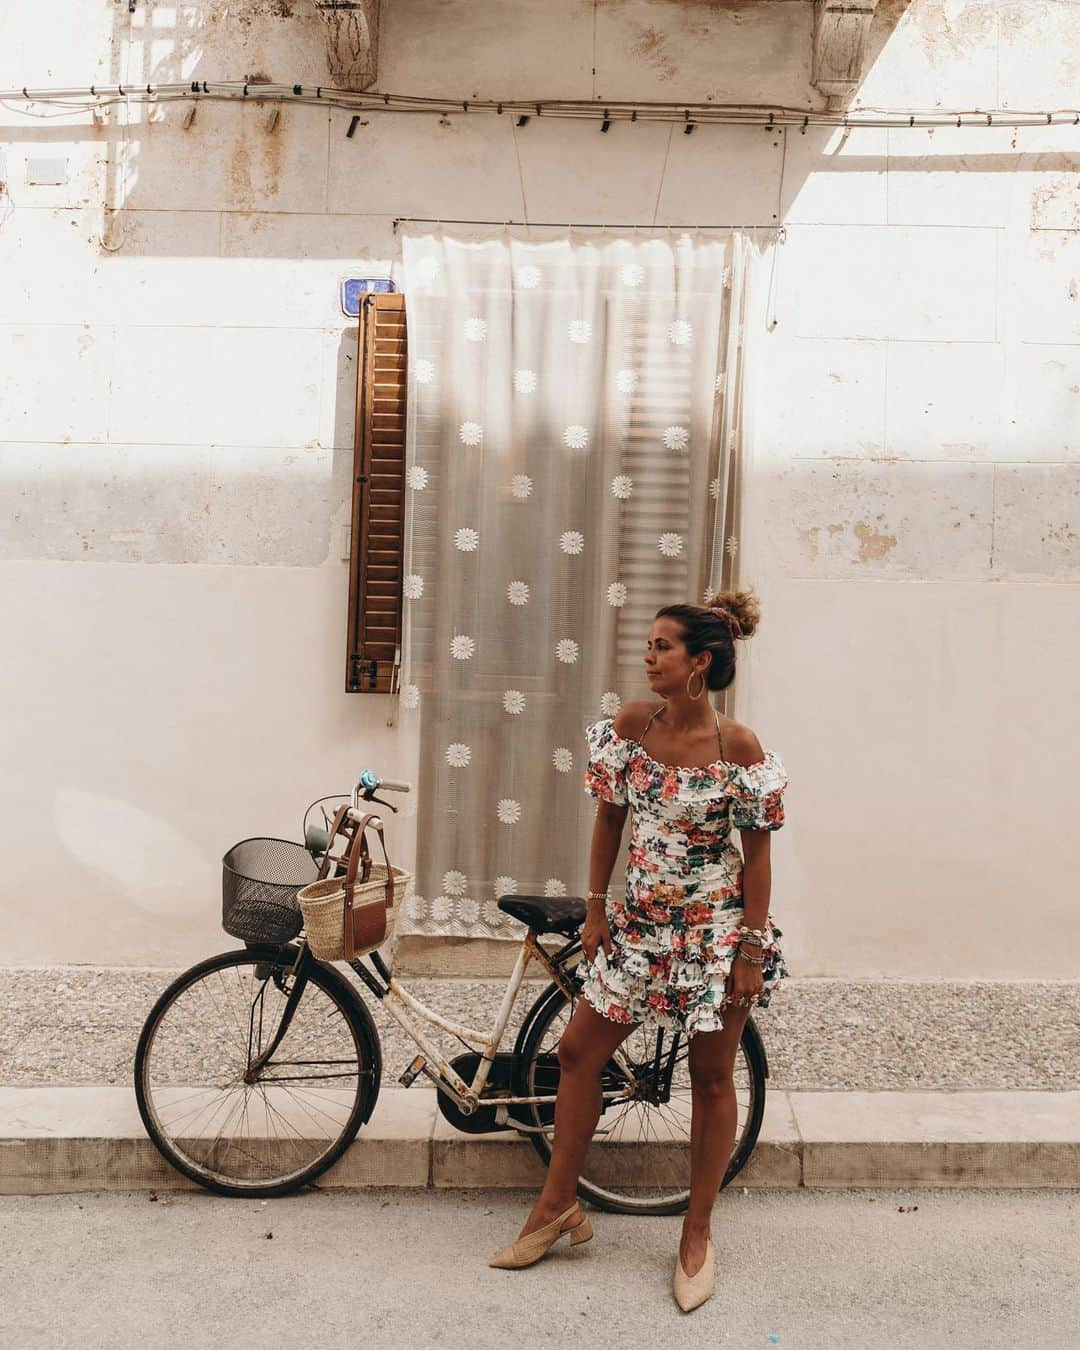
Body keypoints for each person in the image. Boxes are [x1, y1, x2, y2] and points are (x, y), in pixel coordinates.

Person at [488, 587, 789, 1311]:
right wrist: (596, 909)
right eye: (649, 646)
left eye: (661, 647)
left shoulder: (738, 748)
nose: (647, 658)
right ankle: (557, 1205)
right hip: (639, 929)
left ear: (700, 663)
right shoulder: (630, 726)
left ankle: (696, 1234)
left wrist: (750, 947)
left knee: (712, 1078)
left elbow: (759, 857)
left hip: (715, 936)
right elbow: (608, 825)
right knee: (577, 1054)